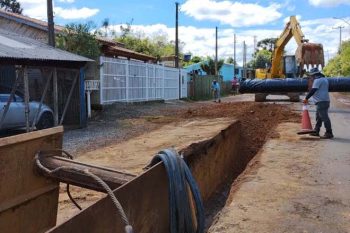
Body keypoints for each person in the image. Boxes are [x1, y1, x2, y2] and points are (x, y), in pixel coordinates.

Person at [303, 67, 334, 139]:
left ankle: (329, 133)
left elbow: (313, 90)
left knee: (324, 117)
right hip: (324, 101)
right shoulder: (324, 79)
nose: (311, 77)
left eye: (311, 75)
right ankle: (316, 131)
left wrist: (306, 98)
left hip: (321, 102)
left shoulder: (317, 81)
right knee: (319, 117)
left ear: (314, 75)